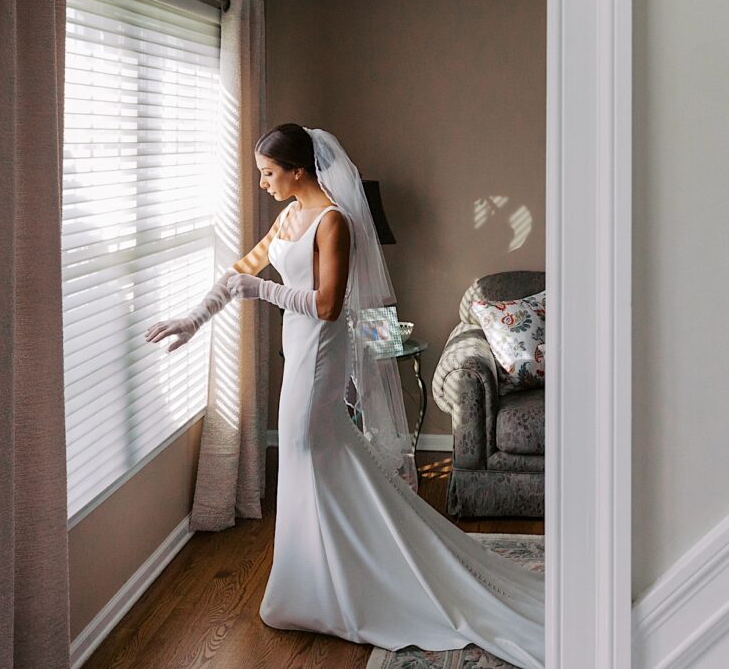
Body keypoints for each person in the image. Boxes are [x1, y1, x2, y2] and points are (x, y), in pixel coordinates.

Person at [143, 123, 545, 668]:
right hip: (298, 346)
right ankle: (317, 580)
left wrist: (259, 290)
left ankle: (337, 587)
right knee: (315, 459)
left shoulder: (335, 222)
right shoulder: (289, 216)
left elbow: (329, 305)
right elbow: (244, 268)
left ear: (298, 170)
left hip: (319, 354)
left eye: (267, 174)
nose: (262, 184)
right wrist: (192, 319)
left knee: (310, 452)